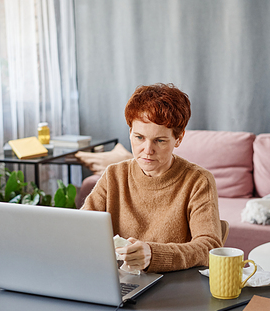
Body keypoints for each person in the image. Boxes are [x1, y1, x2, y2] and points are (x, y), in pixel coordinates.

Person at [81, 83, 223, 273]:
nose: (147, 151)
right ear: (130, 132)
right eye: (139, 137)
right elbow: (81, 228)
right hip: (117, 281)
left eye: (160, 140)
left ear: (179, 138)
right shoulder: (114, 175)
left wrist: (153, 255)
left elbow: (210, 247)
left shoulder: (198, 181)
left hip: (174, 286)